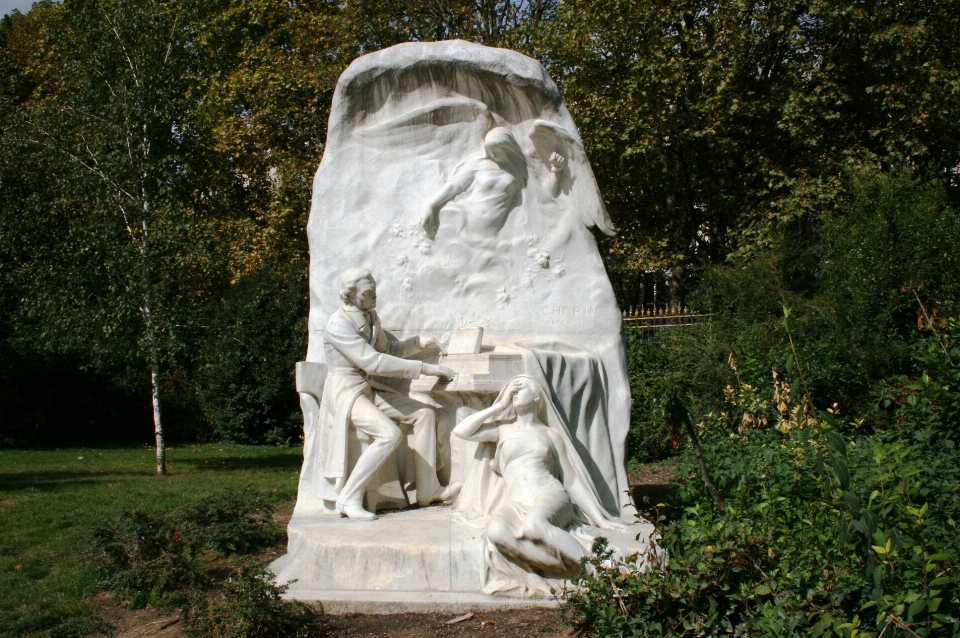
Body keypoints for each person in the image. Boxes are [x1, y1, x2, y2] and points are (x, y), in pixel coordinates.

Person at [318, 267, 459, 520]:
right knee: (389, 434)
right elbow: (373, 363)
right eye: (369, 293)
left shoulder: (370, 316)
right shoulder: (338, 324)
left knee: (424, 413)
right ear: (351, 296)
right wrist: (426, 368)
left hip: (366, 390)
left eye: (374, 291)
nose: (375, 297)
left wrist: (418, 343)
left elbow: (388, 351)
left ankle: (429, 489)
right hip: (346, 395)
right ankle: (348, 498)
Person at [453, 375, 628, 576]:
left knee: (533, 526)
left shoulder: (550, 434)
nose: (514, 393)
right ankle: (578, 568)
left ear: (537, 396)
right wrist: (499, 406)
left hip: (549, 493)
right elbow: (462, 431)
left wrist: (600, 518)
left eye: (521, 387)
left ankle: (592, 566)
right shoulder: (502, 429)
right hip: (516, 501)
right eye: (511, 389)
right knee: (496, 532)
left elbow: (571, 480)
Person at [420, 127, 528, 244]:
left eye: (496, 149)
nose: (492, 153)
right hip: (463, 217)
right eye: (489, 149)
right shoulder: (478, 163)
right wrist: (431, 205)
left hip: (492, 229)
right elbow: (454, 186)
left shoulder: (519, 169)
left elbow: (539, 197)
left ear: (508, 147)